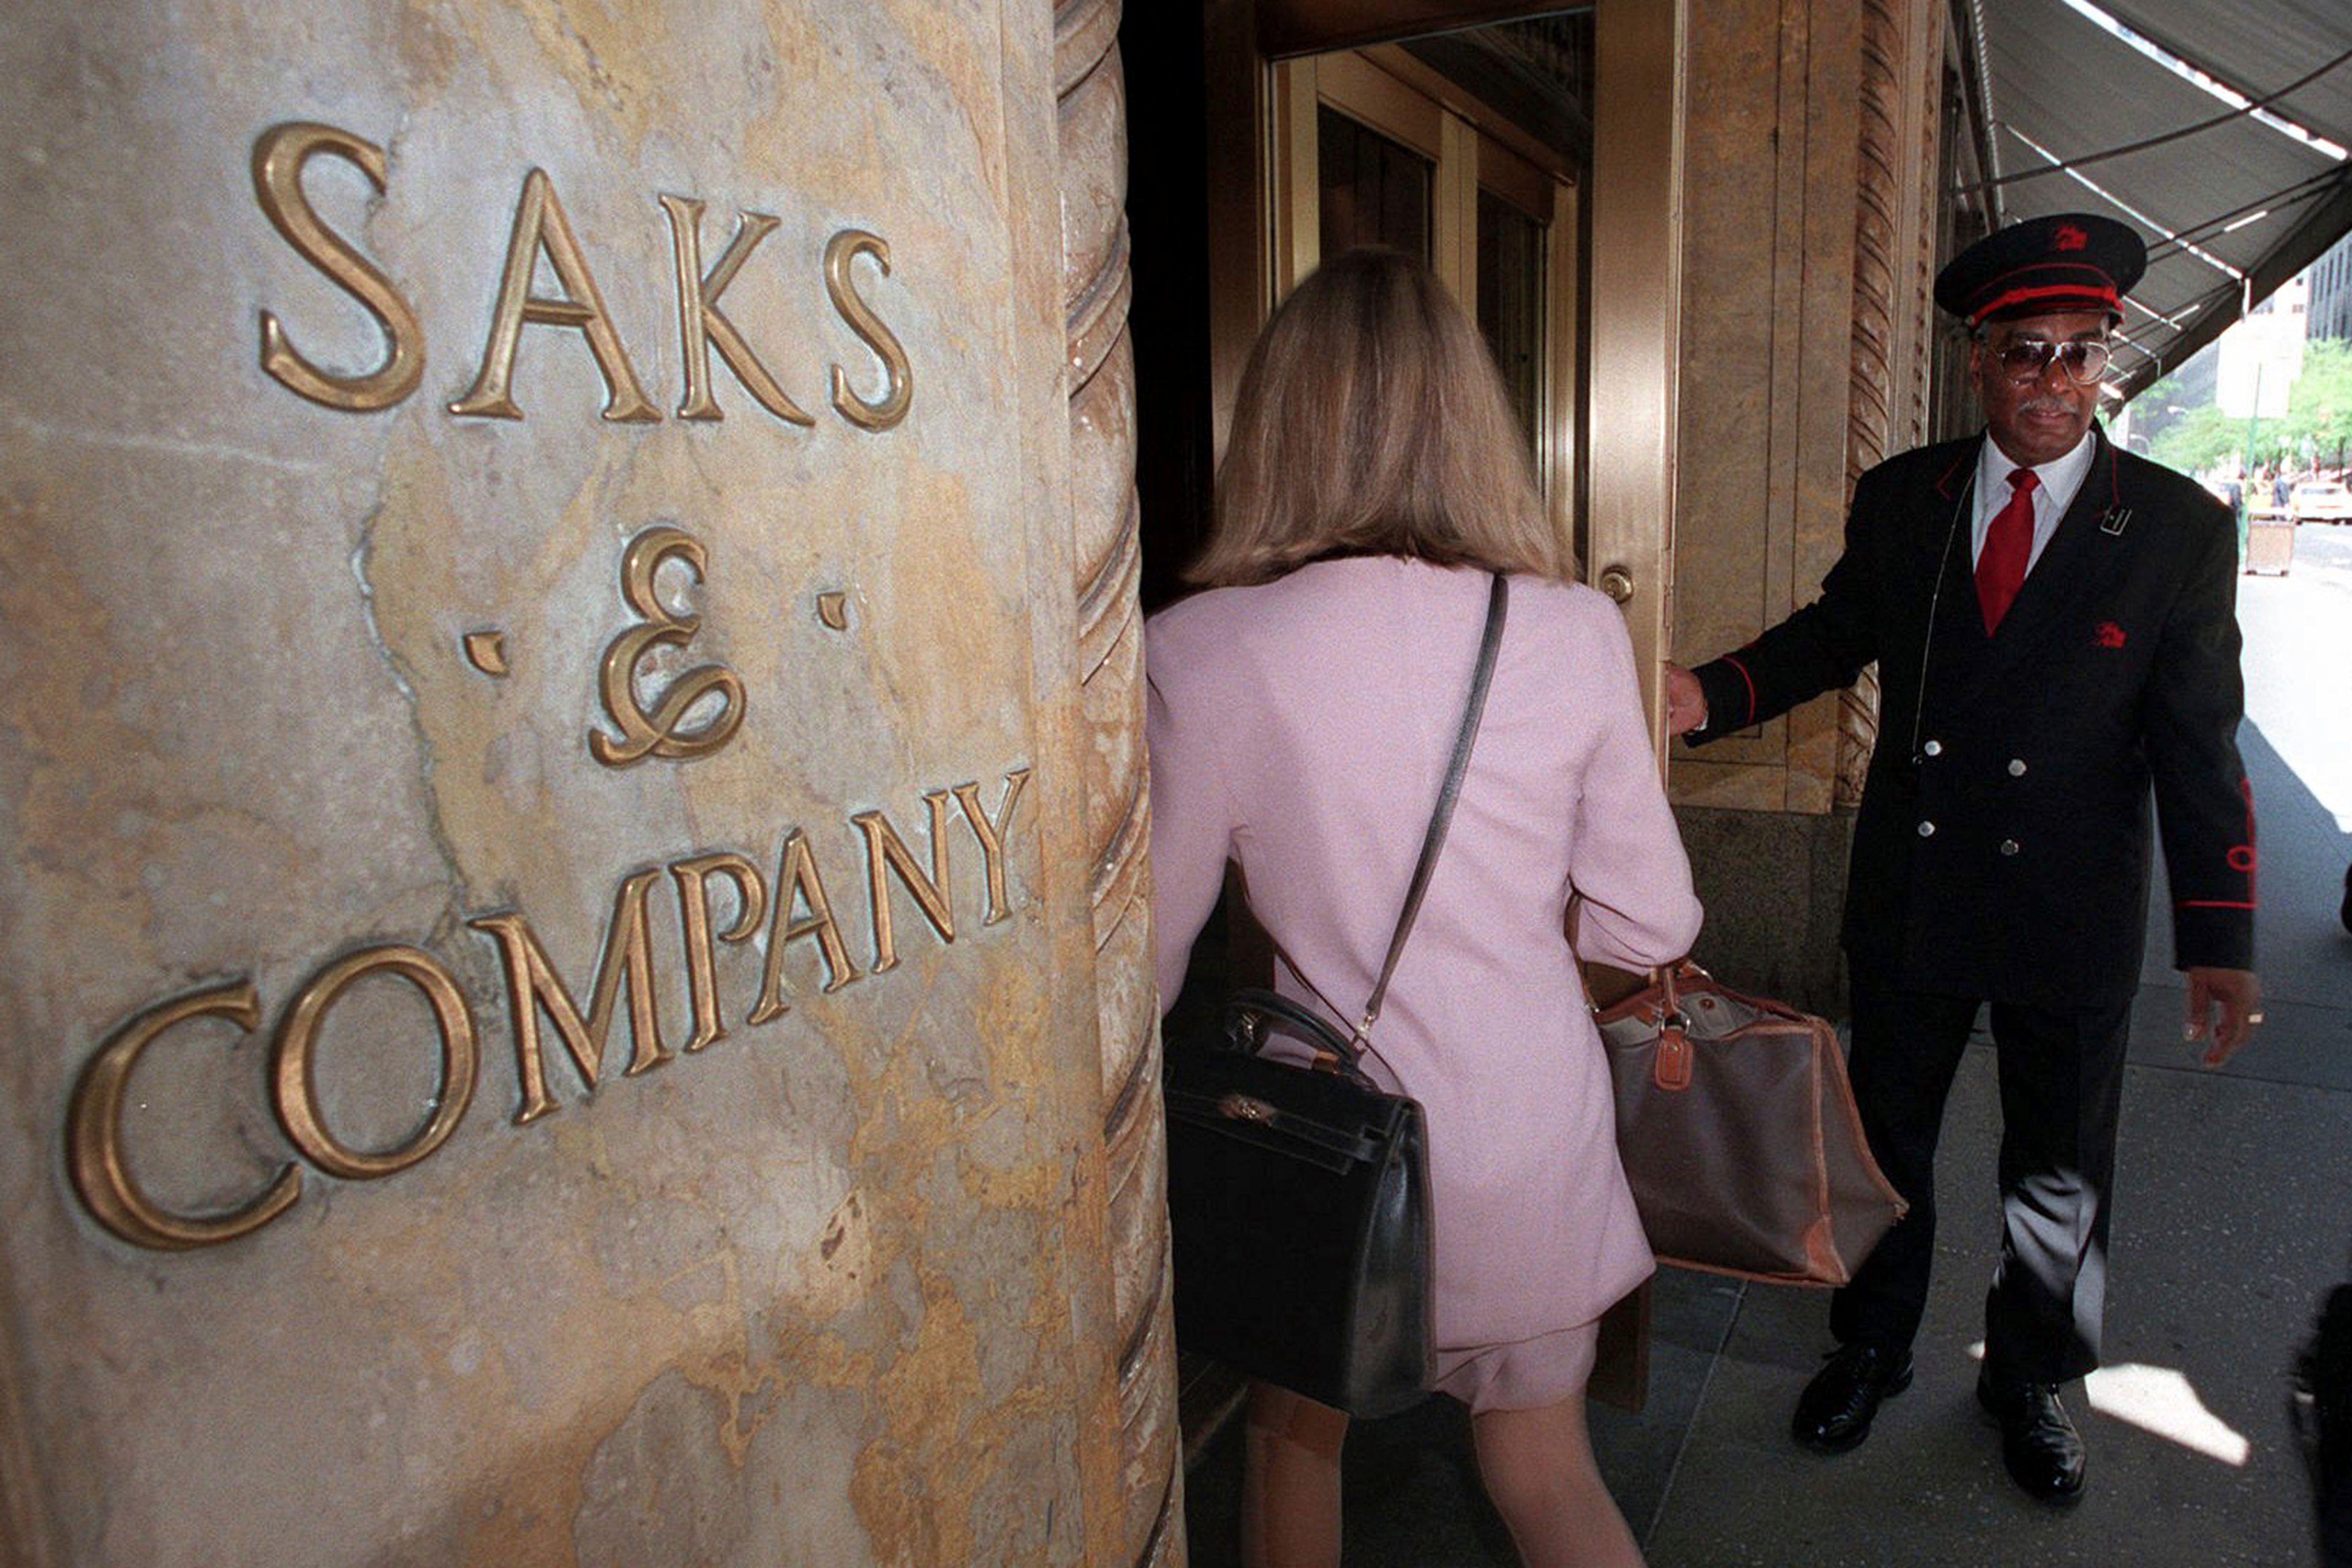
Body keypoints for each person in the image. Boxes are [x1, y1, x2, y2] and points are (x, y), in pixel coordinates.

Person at [1665, 212, 2263, 1504]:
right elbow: (1832, 636)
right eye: (2025, 352)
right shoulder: (1909, 500)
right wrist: (1701, 695)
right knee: (1887, 1140)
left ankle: (2029, 1377)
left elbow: (2200, 743)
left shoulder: (2170, 527)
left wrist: (2219, 933)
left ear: (2106, 361)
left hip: (2072, 904)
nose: (2053, 378)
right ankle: (1872, 1344)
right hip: (1919, 889)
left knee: (2060, 1159)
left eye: (2077, 352)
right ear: (1978, 360)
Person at [1148, 247, 1702, 1568]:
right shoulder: (1573, 630)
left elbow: (1145, 965)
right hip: (1529, 1143)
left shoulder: (1201, 646)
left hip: (1331, 1149)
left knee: (1294, 1448)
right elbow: (1649, 924)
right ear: (1471, 421)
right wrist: (1510, 912)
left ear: (1277, 424)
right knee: (1547, 1472)